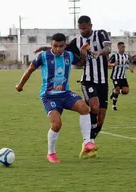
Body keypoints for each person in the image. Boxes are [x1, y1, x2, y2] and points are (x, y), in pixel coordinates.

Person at [34, 16, 111, 158]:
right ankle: (88, 142)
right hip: (88, 79)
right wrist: (45, 48)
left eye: (84, 28)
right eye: (80, 28)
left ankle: (90, 142)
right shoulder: (77, 41)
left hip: (103, 80)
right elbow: (60, 48)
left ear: (90, 26)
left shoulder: (100, 34)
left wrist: (99, 52)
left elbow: (108, 48)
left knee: (101, 118)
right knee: (92, 107)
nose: (82, 31)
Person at [15, 33, 97, 163]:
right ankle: (51, 153)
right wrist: (20, 85)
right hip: (49, 96)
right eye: (55, 46)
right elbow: (30, 69)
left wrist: (82, 52)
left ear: (65, 45)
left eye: (61, 46)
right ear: (51, 45)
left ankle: (87, 142)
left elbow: (81, 63)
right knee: (57, 124)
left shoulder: (68, 55)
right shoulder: (43, 56)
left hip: (65, 93)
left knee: (84, 108)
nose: (58, 49)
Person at [108, 42, 134, 111]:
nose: (123, 48)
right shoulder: (114, 56)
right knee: (117, 89)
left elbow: (127, 64)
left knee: (126, 91)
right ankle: (114, 106)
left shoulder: (126, 56)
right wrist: (113, 64)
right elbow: (107, 63)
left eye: (124, 47)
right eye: (122, 47)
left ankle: (114, 92)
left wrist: (130, 68)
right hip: (115, 76)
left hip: (123, 77)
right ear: (118, 47)